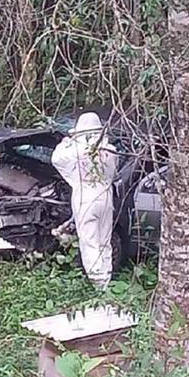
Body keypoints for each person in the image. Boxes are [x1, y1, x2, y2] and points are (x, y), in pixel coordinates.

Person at [51, 112, 118, 289]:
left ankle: (98, 284)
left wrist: (65, 144)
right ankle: (106, 279)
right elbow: (112, 174)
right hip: (105, 196)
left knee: (89, 241)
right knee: (104, 240)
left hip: (85, 198)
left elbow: (56, 159)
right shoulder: (110, 150)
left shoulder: (74, 151)